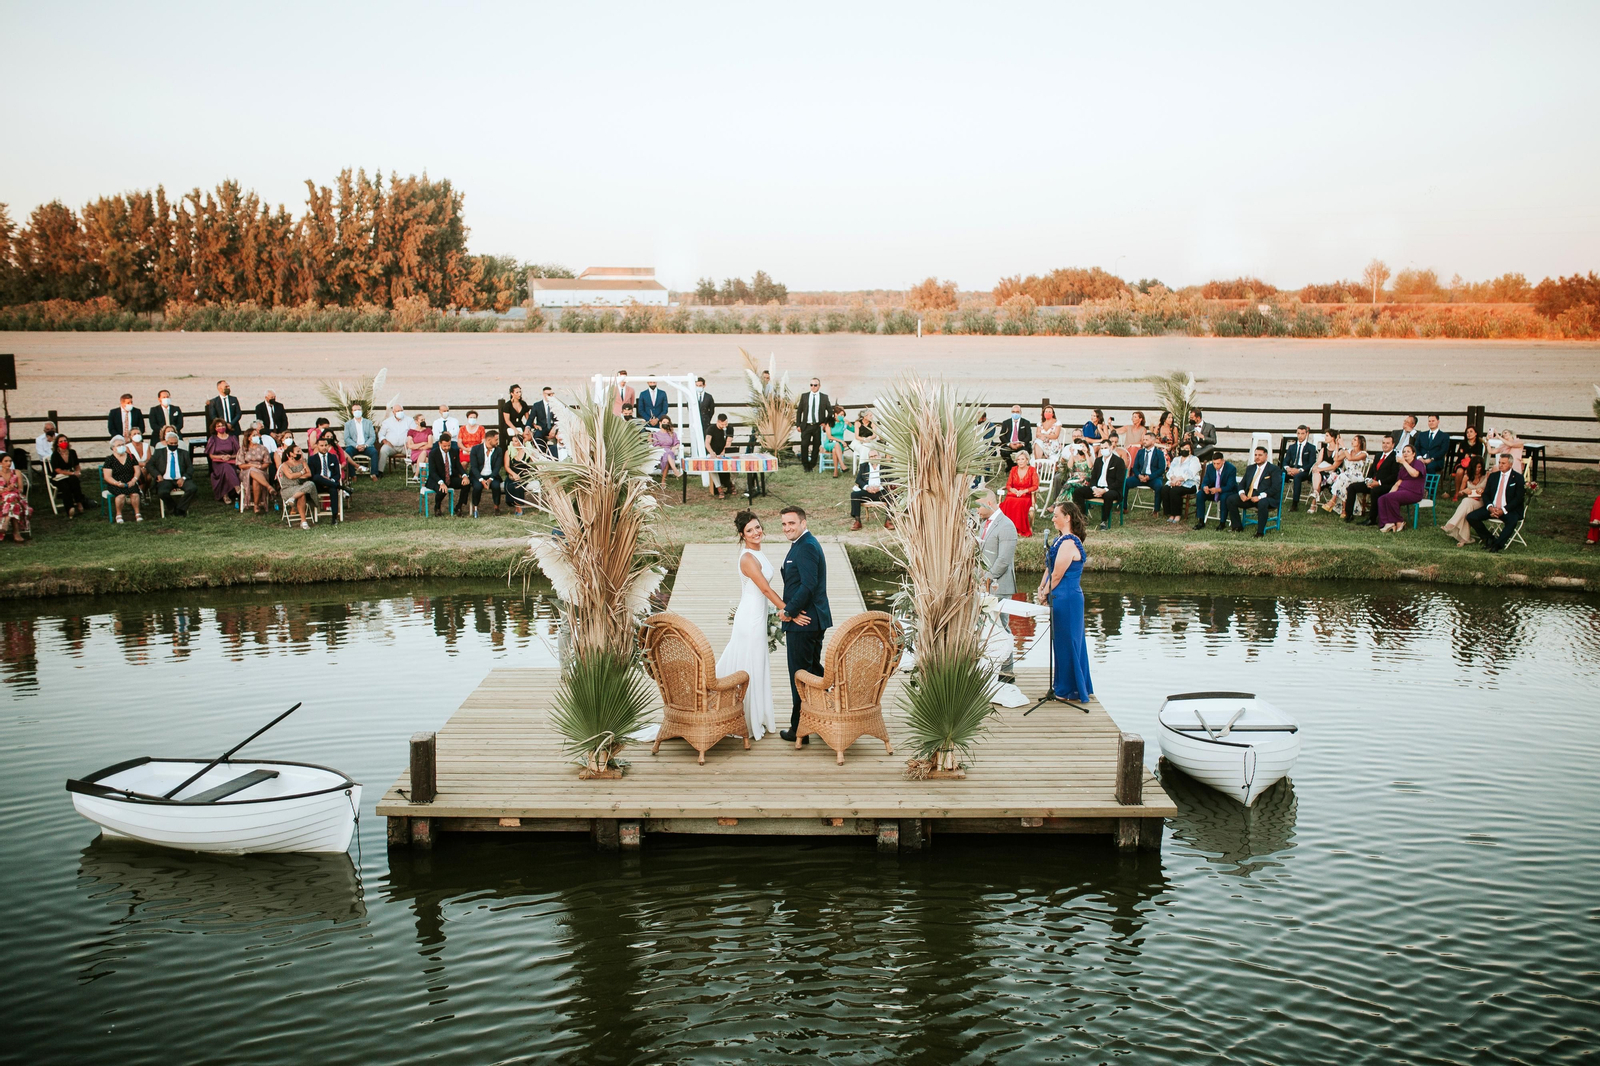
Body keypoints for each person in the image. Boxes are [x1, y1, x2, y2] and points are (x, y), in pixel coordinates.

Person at [717, 510, 784, 741]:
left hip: (758, 614)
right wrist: (787, 609)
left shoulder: (758, 552)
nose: (756, 532)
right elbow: (764, 589)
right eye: (750, 530)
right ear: (742, 535)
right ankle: (745, 719)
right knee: (750, 665)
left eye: (757, 527)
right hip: (750, 618)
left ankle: (756, 715)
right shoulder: (747, 558)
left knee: (758, 664)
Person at [778, 506, 832, 744]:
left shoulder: (807, 546)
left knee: (799, 675)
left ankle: (798, 728)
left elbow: (808, 586)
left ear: (803, 522)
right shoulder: (802, 544)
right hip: (811, 621)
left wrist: (789, 611)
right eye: (784, 524)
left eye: (791, 523)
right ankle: (820, 718)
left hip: (805, 622)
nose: (787, 528)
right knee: (811, 672)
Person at [1038, 501, 1092, 703]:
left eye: (1056, 515)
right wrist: (1041, 587)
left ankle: (1068, 688)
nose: (1053, 518)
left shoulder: (1069, 542)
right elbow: (1049, 568)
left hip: (1068, 597)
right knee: (1060, 641)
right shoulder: (1059, 540)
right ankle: (1073, 684)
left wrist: (1045, 591)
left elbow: (1059, 573)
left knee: (1068, 641)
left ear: (1067, 517)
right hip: (1058, 595)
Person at [977, 489, 1019, 674]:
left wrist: (987, 577)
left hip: (998, 585)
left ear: (989, 503)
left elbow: (1004, 559)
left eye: (977, 504)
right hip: (983, 585)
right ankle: (989, 669)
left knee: (1002, 626)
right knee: (986, 627)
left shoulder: (1006, 525)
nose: (975, 509)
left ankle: (1006, 672)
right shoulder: (984, 524)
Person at [1466, 452, 1525, 553]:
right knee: (1471, 517)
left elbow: (1518, 498)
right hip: (1492, 508)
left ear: (1510, 464)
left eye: (1504, 463)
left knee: (1512, 521)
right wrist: (1490, 507)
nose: (1500, 465)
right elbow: (1486, 494)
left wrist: (1503, 510)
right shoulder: (1493, 476)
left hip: (1508, 510)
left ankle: (1498, 545)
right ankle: (1489, 538)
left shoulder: (1518, 478)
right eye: (1499, 463)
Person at [1225, 446, 1281, 536]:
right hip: (1250, 496)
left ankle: (1260, 532)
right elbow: (1242, 484)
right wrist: (1242, 494)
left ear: (1266, 456)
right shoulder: (1250, 468)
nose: (1257, 457)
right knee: (1230, 499)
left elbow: (1275, 488)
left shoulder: (1273, 469)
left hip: (1266, 497)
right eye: (1255, 455)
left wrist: (1259, 497)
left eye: (1260, 455)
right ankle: (1237, 526)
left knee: (1262, 503)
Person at [1073, 437, 1125, 530]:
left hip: (1112, 489)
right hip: (1097, 488)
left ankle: (1104, 521)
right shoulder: (1098, 461)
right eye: (1102, 448)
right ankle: (1083, 518)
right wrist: (1094, 488)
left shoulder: (1118, 461)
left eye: (1105, 448)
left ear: (1111, 448)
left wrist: (1104, 490)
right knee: (1078, 492)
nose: (1103, 450)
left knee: (1108, 495)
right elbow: (1093, 477)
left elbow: (1119, 481)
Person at [1345, 434, 1398, 525]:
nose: (1385, 445)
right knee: (1352, 487)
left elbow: (1394, 475)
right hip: (1372, 482)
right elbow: (1371, 471)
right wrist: (1368, 481)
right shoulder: (1378, 455)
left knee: (1375, 491)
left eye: (1388, 443)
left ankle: (1372, 519)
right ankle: (1349, 514)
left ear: (1393, 445)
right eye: (1383, 443)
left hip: (1385, 485)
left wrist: (1378, 483)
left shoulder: (1395, 457)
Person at [1376, 444, 1427, 532]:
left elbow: (1414, 474)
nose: (1405, 453)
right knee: (1382, 499)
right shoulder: (1402, 468)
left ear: (1413, 454)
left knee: (1391, 498)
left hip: (1414, 492)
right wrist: (1389, 494)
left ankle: (1399, 520)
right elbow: (1397, 483)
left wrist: (1403, 462)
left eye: (1408, 451)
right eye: (1404, 452)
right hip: (1402, 491)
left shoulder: (1418, 463)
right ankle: (1388, 523)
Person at [147, 429, 197, 515]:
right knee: (162, 492)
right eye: (171, 443)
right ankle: (173, 508)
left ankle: (180, 509)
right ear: (166, 442)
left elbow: (190, 468)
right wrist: (157, 475)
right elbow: (149, 465)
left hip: (180, 478)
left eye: (175, 443)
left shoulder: (184, 453)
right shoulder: (159, 453)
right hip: (166, 479)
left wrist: (183, 478)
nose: (173, 445)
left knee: (192, 488)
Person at [1442, 456, 1488, 546]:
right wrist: (1464, 491)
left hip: (1482, 501)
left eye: (1479, 467)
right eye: (1475, 467)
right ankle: (1464, 539)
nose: (1477, 470)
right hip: (1470, 500)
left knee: (1466, 502)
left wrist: (1483, 491)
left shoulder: (1486, 475)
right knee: (1467, 506)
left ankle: (1451, 525)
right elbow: (1459, 493)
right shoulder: (1467, 476)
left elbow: (1491, 490)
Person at [276, 443, 319, 529]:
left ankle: (293, 498)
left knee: (310, 484)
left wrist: (297, 475)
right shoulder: (285, 464)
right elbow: (290, 476)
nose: (300, 453)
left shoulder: (303, 462)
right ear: (291, 454)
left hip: (300, 486)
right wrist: (302, 473)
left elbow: (309, 474)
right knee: (302, 494)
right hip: (288, 488)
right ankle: (303, 521)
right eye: (298, 451)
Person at [850, 450, 895, 530]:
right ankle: (857, 521)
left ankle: (888, 520)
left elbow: (890, 480)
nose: (873, 458)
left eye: (875, 456)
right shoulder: (864, 466)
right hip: (867, 491)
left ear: (879, 456)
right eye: (871, 456)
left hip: (881, 491)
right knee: (854, 494)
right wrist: (867, 487)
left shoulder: (886, 467)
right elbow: (858, 480)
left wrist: (880, 487)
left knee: (892, 495)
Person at [101, 436, 143, 523]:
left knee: (135, 494)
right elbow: (107, 476)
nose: (121, 446)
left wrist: (134, 480)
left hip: (130, 481)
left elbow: (137, 470)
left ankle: (137, 513)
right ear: (113, 448)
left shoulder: (131, 457)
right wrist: (116, 483)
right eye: (118, 445)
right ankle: (118, 515)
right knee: (121, 495)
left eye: (123, 444)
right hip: (115, 483)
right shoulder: (110, 460)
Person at [426, 431, 468, 516]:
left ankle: (459, 507)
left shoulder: (453, 451)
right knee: (442, 490)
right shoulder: (433, 454)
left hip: (450, 478)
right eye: (444, 446)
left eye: (449, 445)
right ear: (439, 443)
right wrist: (441, 483)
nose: (447, 448)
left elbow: (458, 466)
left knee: (466, 484)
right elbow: (432, 472)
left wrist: (464, 476)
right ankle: (437, 507)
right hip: (436, 479)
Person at [1194, 449, 1237, 529]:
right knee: (1200, 494)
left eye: (1218, 463)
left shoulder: (1231, 469)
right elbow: (1205, 481)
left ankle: (1222, 523)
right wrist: (1205, 487)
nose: (1216, 466)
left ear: (1223, 461)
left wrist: (1218, 489)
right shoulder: (1210, 467)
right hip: (1213, 490)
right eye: (1214, 463)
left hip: (1226, 491)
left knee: (1224, 497)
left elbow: (1230, 486)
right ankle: (1200, 521)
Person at [1328, 434, 1369, 516]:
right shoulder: (1349, 451)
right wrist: (1337, 445)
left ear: (1360, 442)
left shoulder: (1363, 454)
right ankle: (1344, 510)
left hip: (1357, 475)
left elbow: (1350, 458)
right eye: (1352, 439)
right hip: (1346, 475)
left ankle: (1333, 500)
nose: (1352, 441)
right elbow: (1336, 459)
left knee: (1342, 477)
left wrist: (1343, 445)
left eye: (1355, 440)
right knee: (1343, 480)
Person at [1160, 442, 1201, 523]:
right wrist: (1173, 479)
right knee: (1165, 489)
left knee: (1175, 491)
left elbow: (1190, 474)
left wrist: (1177, 480)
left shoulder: (1194, 460)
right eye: (1183, 448)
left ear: (1190, 450)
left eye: (1187, 449)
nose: (1185, 450)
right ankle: (1170, 513)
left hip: (1189, 484)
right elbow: (1170, 472)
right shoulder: (1176, 459)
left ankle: (1177, 514)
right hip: (1174, 482)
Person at [308, 435, 346, 523]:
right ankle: (340, 487)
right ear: (317, 446)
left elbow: (337, 474)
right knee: (317, 477)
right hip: (318, 484)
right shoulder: (312, 459)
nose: (324, 447)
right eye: (321, 445)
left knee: (333, 490)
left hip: (330, 482)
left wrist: (330, 481)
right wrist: (323, 480)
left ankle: (334, 516)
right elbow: (312, 475)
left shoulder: (333, 457)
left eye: (326, 445)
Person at [796, 377, 831, 471]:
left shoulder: (824, 397)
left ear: (819, 386)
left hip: (818, 426)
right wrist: (798, 425)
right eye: (811, 385)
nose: (813, 387)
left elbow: (830, 412)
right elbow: (799, 411)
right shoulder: (804, 396)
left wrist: (825, 423)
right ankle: (805, 465)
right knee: (804, 445)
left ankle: (812, 464)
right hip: (806, 425)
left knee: (816, 445)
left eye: (815, 385)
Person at [49, 435, 88, 517]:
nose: (64, 442)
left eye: (65, 440)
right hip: (59, 477)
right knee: (65, 486)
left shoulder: (72, 452)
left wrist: (78, 472)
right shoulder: (55, 455)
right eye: (61, 441)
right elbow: (57, 470)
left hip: (70, 475)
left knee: (75, 480)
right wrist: (72, 473)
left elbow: (77, 465)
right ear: (57, 444)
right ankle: (70, 508)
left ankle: (79, 502)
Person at [1000, 451, 1037, 536]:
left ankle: (1019, 528)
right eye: (1018, 459)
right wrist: (1013, 490)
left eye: (1022, 459)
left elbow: (1035, 486)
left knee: (1020, 503)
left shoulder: (1032, 470)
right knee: (1009, 500)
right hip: (1014, 494)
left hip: (1026, 495)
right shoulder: (1013, 470)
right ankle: (1008, 527)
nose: (1020, 461)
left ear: (1027, 460)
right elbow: (1008, 485)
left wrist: (1024, 491)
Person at [238, 425, 274, 513]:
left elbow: (267, 462)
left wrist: (260, 467)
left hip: (261, 471)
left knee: (256, 479)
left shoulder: (263, 448)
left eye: (257, 435)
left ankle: (256, 505)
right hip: (246, 472)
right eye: (254, 435)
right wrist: (251, 465)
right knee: (252, 470)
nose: (256, 437)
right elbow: (241, 465)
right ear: (249, 438)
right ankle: (268, 487)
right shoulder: (243, 449)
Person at [1282, 425, 1318, 512]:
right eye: (1298, 433)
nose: (1300, 436)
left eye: (1302, 433)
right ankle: (1275, 497)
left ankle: (1295, 504)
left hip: (1304, 470)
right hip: (1292, 468)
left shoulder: (1311, 448)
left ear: (1306, 434)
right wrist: (1288, 469)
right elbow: (1285, 461)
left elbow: (1311, 463)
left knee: (1297, 477)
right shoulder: (1292, 447)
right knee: (1279, 473)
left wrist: (1299, 470)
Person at [204, 419, 241, 503]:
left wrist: (230, 456)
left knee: (226, 467)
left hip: (230, 461)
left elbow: (238, 453)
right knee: (224, 466)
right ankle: (236, 486)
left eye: (223, 425)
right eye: (219, 426)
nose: (221, 427)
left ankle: (225, 494)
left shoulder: (232, 438)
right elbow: (211, 455)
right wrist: (221, 457)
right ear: (215, 428)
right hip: (218, 462)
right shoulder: (213, 439)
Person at [468, 429, 503, 516]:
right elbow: (474, 467)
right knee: (477, 486)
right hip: (478, 476)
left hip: (492, 475)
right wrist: (481, 480)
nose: (497, 442)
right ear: (489, 440)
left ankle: (496, 507)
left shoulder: (498, 450)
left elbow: (497, 467)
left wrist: (490, 479)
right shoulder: (476, 449)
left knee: (496, 486)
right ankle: (475, 507)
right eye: (496, 440)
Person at [1127, 437, 1167, 511]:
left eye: (1146, 440)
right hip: (1140, 477)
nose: (1144, 441)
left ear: (1153, 441)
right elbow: (1135, 467)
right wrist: (1139, 475)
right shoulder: (1140, 452)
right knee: (1126, 483)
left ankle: (1156, 510)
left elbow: (1161, 469)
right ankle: (1124, 507)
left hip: (1153, 477)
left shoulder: (1159, 453)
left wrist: (1149, 477)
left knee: (1159, 486)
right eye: (1143, 440)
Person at [1310, 429, 1345, 510]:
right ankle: (1315, 493)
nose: (1324, 437)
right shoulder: (1324, 449)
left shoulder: (1340, 451)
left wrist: (1320, 469)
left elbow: (1334, 467)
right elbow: (1318, 461)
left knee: (1318, 473)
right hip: (1323, 472)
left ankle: (1313, 503)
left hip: (1334, 474)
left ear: (1333, 438)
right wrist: (1315, 466)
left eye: (1327, 435)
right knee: (1316, 473)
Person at [0, 453, 31, 541]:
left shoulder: (16, 472)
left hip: (17, 496)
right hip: (2, 499)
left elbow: (20, 489)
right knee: (13, 503)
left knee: (13, 497)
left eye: (10, 461)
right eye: (6, 461)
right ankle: (16, 532)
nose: (9, 463)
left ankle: (5, 523)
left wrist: (13, 489)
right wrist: (6, 490)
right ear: (0, 463)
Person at [344, 404, 380, 479]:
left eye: (359, 410)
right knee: (347, 452)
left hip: (366, 446)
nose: (357, 411)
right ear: (352, 412)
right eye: (355, 410)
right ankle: (352, 475)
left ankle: (374, 474)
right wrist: (356, 446)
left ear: (362, 411)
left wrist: (365, 445)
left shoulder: (368, 423)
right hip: (354, 446)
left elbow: (372, 437)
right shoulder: (348, 424)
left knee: (374, 452)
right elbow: (347, 438)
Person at [1453, 425, 1486, 500]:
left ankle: (1469, 492)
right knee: (1460, 471)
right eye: (1467, 432)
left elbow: (1478, 456)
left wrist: (1468, 455)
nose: (1469, 434)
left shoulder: (1479, 445)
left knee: (1468, 472)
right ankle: (1457, 492)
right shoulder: (1463, 443)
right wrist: (1467, 455)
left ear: (1476, 433)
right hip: (1462, 463)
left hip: (1473, 465)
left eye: (1471, 432)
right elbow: (1459, 454)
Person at [706, 414, 735, 499]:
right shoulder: (711, 429)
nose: (724, 426)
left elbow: (728, 442)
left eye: (726, 424)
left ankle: (731, 484)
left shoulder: (730, 428)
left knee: (735, 466)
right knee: (712, 468)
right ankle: (719, 488)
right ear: (718, 422)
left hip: (725, 453)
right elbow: (707, 442)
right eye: (722, 424)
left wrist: (724, 452)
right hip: (714, 453)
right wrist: (711, 452)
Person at [378, 403, 409, 473]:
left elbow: (414, 432)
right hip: (391, 446)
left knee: (413, 451)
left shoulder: (409, 420)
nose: (400, 412)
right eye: (398, 411)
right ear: (393, 412)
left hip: (405, 446)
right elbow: (381, 434)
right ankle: (380, 471)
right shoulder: (387, 422)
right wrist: (385, 442)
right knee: (383, 450)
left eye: (401, 410)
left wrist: (410, 442)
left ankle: (415, 472)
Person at [824, 405, 850, 477]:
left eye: (843, 415)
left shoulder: (843, 423)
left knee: (835, 449)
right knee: (836, 445)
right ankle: (842, 465)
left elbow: (853, 430)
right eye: (841, 415)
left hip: (838, 446)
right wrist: (841, 441)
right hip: (829, 443)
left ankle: (836, 471)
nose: (842, 417)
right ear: (835, 414)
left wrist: (849, 423)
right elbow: (829, 436)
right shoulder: (829, 423)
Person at [531, 386, 557, 454]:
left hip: (554, 426)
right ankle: (543, 454)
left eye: (552, 394)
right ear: (544, 395)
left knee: (562, 435)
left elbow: (560, 419)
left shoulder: (556, 405)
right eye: (549, 394)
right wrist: (532, 426)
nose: (551, 396)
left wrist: (555, 427)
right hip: (542, 427)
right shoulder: (537, 405)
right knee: (537, 436)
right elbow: (531, 418)